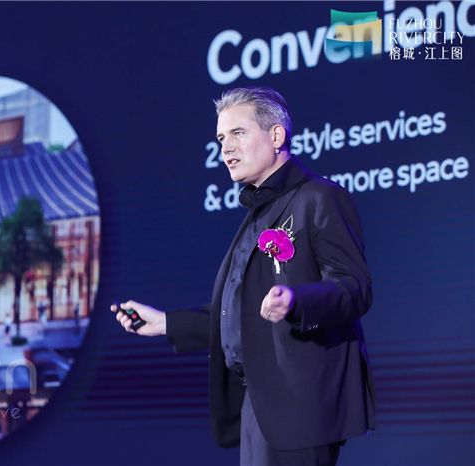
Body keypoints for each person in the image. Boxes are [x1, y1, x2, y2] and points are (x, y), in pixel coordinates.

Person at [112, 87, 375, 466]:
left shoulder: (319, 197)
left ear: (276, 135)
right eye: (221, 138)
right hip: (259, 404)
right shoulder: (259, 212)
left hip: (300, 402)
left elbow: (355, 288)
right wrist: (166, 323)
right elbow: (237, 311)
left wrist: (297, 303)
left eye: (238, 133)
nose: (226, 148)